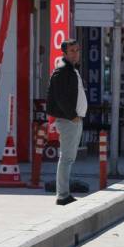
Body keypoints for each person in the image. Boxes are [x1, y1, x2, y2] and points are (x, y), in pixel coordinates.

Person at [46, 39, 87, 206]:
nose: (76, 53)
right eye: (72, 51)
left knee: (68, 158)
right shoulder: (62, 71)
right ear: (64, 53)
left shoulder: (71, 69)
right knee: (66, 158)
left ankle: (64, 193)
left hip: (74, 119)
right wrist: (72, 115)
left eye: (77, 50)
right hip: (69, 120)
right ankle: (62, 195)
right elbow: (60, 97)